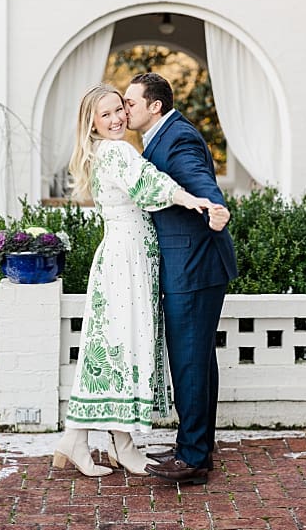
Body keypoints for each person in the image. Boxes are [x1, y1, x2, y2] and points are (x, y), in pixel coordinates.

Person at [53, 84, 227, 478]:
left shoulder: (105, 152)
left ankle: (90, 439)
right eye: (107, 114)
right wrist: (196, 201)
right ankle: (101, 441)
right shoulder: (116, 151)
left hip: (125, 256)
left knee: (114, 347)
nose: (117, 118)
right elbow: (150, 185)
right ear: (92, 124)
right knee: (119, 348)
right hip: (126, 260)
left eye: (120, 109)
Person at [123, 72, 238, 485]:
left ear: (155, 105)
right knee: (198, 360)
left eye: (131, 102)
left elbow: (199, 181)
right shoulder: (164, 135)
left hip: (193, 266)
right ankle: (198, 447)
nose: (125, 108)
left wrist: (215, 208)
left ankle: (191, 460)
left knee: (189, 361)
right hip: (195, 265)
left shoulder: (177, 139)